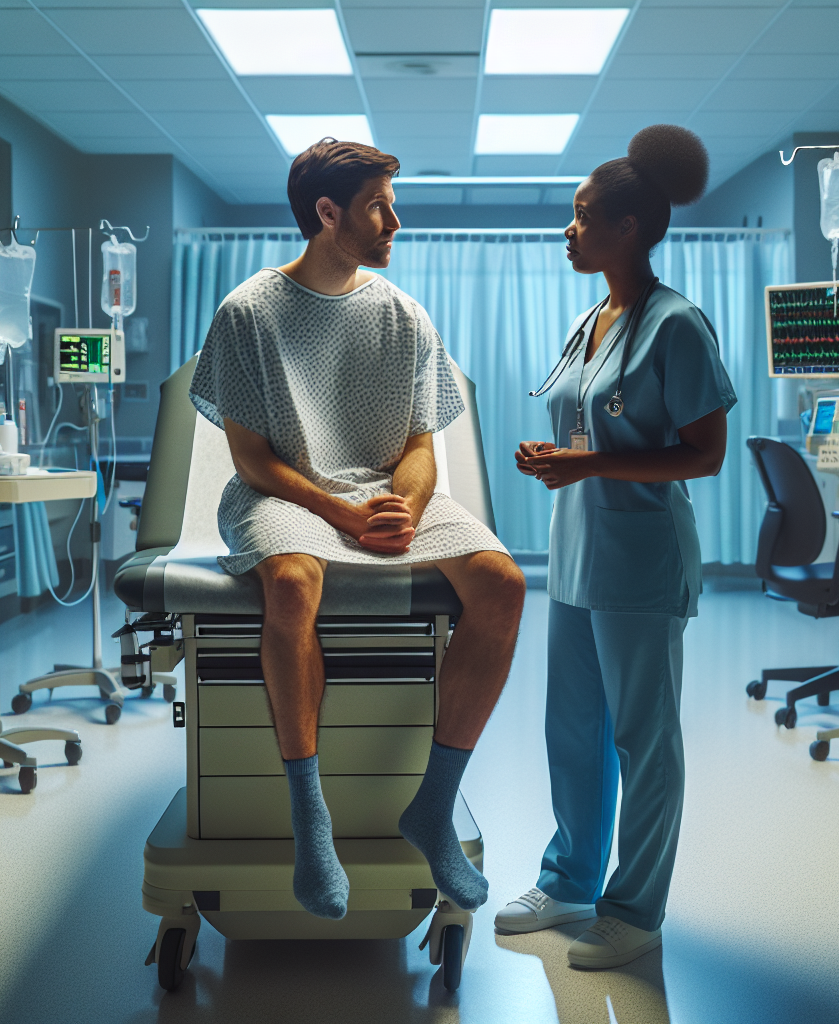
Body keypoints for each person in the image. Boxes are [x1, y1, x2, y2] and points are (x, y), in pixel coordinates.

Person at [189, 138, 526, 921]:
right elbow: (252, 459)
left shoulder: (403, 314)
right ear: (327, 212)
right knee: (294, 578)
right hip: (283, 493)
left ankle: (433, 808)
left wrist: (401, 508)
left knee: (503, 584)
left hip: (381, 492)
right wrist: (337, 512)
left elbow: (418, 448)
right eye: (379, 207)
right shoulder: (247, 312)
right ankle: (312, 818)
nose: (394, 222)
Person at [497, 124, 736, 969]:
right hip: (576, 557)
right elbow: (586, 425)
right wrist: (553, 456)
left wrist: (589, 461)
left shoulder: (676, 325)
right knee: (574, 727)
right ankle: (569, 880)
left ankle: (634, 909)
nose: (570, 228)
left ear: (627, 227)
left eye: (583, 214)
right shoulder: (592, 316)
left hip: (639, 561)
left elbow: (703, 452)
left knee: (643, 738)